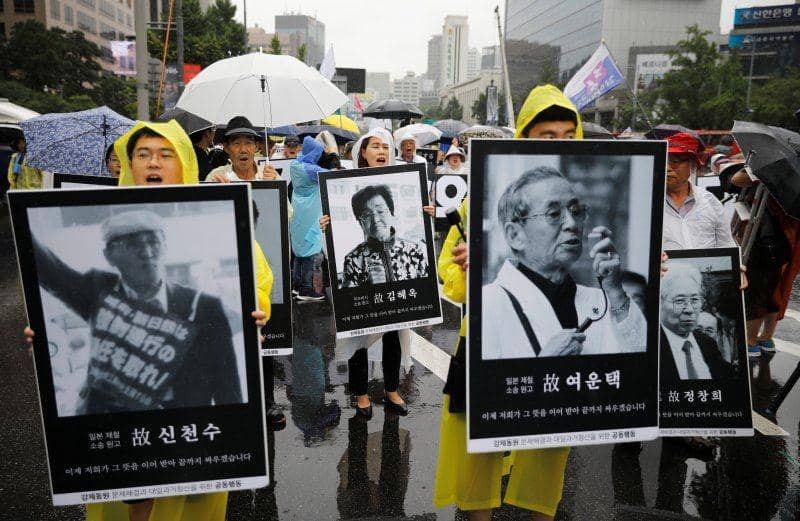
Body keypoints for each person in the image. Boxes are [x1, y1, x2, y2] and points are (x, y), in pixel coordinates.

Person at [23, 120, 270, 521]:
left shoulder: (208, 287)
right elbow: (47, 269)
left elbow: (257, 284)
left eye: (165, 154)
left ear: (184, 162)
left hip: (190, 440)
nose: (154, 162)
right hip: (119, 440)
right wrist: (43, 325)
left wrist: (253, 317)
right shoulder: (99, 289)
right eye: (143, 154)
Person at [434, 84, 585, 521]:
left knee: (550, 447)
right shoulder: (480, 195)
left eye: (567, 135)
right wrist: (466, 267)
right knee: (478, 444)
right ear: (524, 138)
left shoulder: (579, 202)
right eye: (547, 136)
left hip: (564, 349)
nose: (559, 144)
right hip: (488, 343)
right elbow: (452, 284)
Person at [320, 127, 434, 420]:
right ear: (362, 152)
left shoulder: (414, 249)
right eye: (374, 146)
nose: (381, 151)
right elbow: (345, 292)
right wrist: (328, 230)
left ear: (392, 212)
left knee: (394, 336)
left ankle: (392, 390)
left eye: (385, 146)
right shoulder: (353, 258)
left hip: (398, 303)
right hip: (365, 308)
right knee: (358, 337)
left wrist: (428, 216)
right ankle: (361, 394)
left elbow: (424, 277)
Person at [482, 166, 646, 359]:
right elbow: (480, 379)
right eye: (553, 214)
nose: (572, 224)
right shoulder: (487, 305)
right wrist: (545, 365)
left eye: (576, 211)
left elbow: (644, 368)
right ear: (515, 235)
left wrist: (615, 290)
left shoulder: (603, 300)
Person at [340, 184, 429, 288]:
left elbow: (427, 290)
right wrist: (369, 286)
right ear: (361, 222)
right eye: (367, 215)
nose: (375, 219)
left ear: (391, 213)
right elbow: (349, 297)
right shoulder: (353, 260)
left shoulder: (413, 251)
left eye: (380, 211)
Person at [662, 132, 736, 250]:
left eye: (675, 162)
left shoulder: (710, 202)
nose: (667, 168)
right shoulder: (647, 204)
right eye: (663, 161)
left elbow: (726, 245)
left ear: (692, 165)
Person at [660, 263, 733, 380]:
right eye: (679, 300)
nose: (689, 309)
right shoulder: (652, 347)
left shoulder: (708, 343)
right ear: (661, 302)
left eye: (694, 300)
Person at [290, 136, 328, 302]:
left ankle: (296, 286)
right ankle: (306, 288)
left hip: (298, 212)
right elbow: (330, 176)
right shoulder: (311, 170)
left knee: (299, 252)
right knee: (310, 252)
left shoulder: (295, 164)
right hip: (311, 214)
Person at [207, 116, 279, 182]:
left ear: (256, 146)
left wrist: (274, 185)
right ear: (226, 148)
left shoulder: (270, 175)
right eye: (236, 143)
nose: (243, 150)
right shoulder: (216, 177)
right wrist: (216, 189)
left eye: (248, 143)